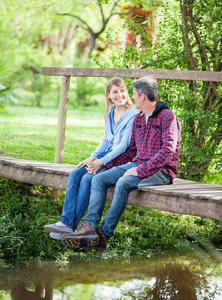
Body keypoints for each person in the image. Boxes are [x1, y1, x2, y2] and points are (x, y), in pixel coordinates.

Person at [61, 76, 181, 251]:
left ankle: (104, 235)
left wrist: (140, 170)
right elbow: (131, 150)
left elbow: (168, 151)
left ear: (142, 97)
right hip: (136, 164)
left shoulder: (167, 117)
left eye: (133, 93)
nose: (130, 97)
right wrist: (105, 164)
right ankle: (89, 228)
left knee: (123, 183)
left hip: (161, 171)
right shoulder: (140, 119)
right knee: (99, 179)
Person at [44, 77, 138, 240]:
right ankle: (65, 222)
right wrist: (92, 157)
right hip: (104, 156)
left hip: (118, 160)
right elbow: (106, 140)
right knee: (75, 173)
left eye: (122, 91)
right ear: (108, 94)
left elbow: (123, 146)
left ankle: (71, 226)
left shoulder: (133, 114)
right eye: (115, 91)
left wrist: (101, 162)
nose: (119, 95)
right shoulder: (110, 112)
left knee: (88, 178)